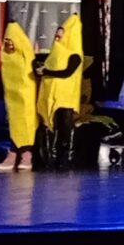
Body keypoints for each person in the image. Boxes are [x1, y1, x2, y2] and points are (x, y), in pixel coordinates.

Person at [35, 16, 83, 167]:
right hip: (51, 95)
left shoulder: (74, 55)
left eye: (61, 35)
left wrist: (47, 71)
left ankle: (67, 156)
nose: (57, 38)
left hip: (65, 97)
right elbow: (45, 68)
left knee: (65, 125)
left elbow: (66, 73)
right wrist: (40, 70)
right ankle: (51, 156)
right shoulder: (54, 54)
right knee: (51, 125)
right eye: (56, 35)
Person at [0, 22, 37, 171]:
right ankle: (13, 153)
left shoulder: (26, 56)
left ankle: (26, 153)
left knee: (26, 123)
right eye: (6, 40)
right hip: (12, 98)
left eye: (11, 40)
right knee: (14, 124)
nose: (9, 43)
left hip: (26, 96)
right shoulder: (6, 57)